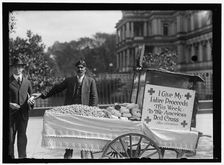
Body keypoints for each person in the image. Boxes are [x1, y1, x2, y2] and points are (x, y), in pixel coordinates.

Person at [32, 59, 98, 159]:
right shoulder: (69, 80)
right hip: (70, 114)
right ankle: (68, 158)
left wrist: (92, 112)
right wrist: (42, 94)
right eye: (78, 67)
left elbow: (94, 97)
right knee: (69, 137)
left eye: (82, 67)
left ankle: (85, 158)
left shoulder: (90, 81)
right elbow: (56, 88)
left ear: (85, 69)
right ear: (76, 69)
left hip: (84, 114)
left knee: (85, 138)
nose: (80, 69)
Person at [9, 58, 35, 159]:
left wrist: (31, 102)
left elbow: (31, 97)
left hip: (24, 114)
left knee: (22, 136)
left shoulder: (27, 82)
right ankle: (9, 158)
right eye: (15, 67)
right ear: (12, 68)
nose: (17, 69)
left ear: (23, 68)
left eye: (19, 67)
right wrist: (9, 104)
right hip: (10, 115)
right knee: (10, 138)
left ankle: (22, 158)